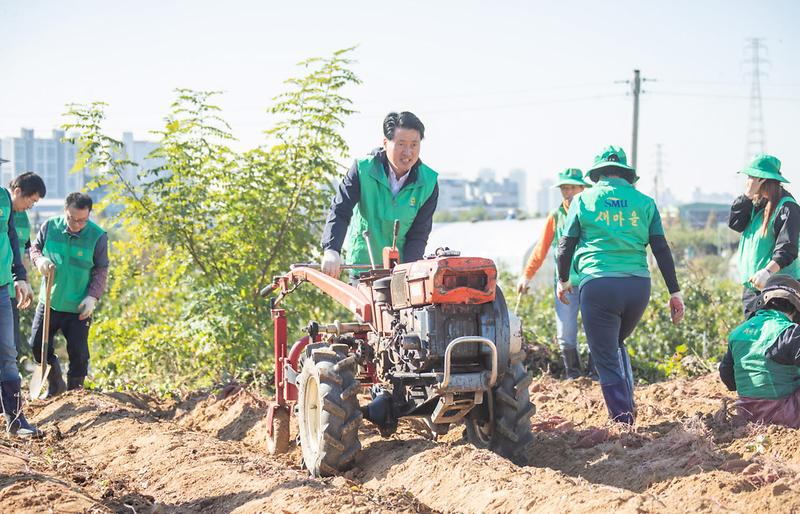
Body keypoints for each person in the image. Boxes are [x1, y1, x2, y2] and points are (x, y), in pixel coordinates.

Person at [556, 146, 684, 425]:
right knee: (615, 344)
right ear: (626, 174)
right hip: (639, 287)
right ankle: (628, 407)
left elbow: (565, 245)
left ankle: (623, 423)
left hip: (599, 286)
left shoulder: (583, 200)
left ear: (597, 174)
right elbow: (661, 249)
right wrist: (675, 292)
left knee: (604, 356)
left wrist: (563, 280)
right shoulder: (645, 202)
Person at [320, 111, 438, 277]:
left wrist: (408, 272)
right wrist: (331, 250)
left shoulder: (429, 182)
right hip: (362, 268)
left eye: (414, 145)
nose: (408, 152)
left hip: (401, 271)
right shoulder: (362, 169)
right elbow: (340, 210)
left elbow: (419, 234)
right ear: (385, 142)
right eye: (401, 144)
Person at [517, 168, 594, 379]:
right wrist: (526, 276)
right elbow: (541, 249)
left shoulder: (592, 212)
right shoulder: (556, 216)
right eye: (564, 188)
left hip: (591, 282)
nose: (567, 192)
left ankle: (596, 375)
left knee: (596, 331)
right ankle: (575, 377)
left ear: (582, 188)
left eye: (572, 187)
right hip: (565, 284)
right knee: (565, 336)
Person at [30, 192, 109, 393]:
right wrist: (39, 261)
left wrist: (93, 296)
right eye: (72, 219)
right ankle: (55, 384)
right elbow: (35, 249)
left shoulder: (98, 236)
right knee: (37, 346)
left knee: (79, 354)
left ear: (89, 215)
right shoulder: (50, 227)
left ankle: (75, 394)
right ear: (65, 211)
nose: (76, 225)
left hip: (78, 307)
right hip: (49, 301)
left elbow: (101, 269)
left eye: (82, 220)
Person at [719, 275, 800, 428]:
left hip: (746, 415)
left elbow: (727, 377)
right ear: (794, 308)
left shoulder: (737, 333)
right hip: (785, 416)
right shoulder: (790, 332)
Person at [729, 154, 799, 317]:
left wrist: (767, 272)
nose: (748, 181)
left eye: (751, 177)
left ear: (763, 180)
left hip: (778, 291)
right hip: (753, 290)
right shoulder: (757, 206)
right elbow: (735, 223)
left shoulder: (787, 207)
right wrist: (746, 196)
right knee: (753, 338)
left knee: (775, 339)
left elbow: (787, 248)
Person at [0, 181, 38, 437]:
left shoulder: (4, 197)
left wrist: (20, 276)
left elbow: (12, 237)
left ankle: (15, 420)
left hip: (2, 287)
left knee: (8, 352)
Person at [8, 172, 47, 363]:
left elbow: (24, 249)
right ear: (17, 191)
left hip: (11, 290)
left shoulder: (23, 218)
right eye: (30, 201)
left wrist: (25, 282)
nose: (30, 206)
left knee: (11, 345)